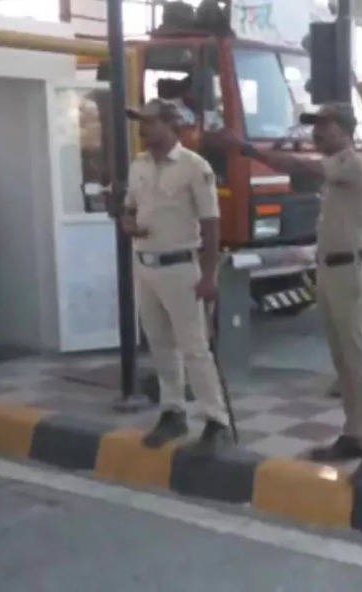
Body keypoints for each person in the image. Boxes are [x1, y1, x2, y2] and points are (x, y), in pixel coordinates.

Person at [221, 104, 362, 482]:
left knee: (359, 360)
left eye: (325, 127)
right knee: (343, 360)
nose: (317, 135)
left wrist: (248, 148)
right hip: (331, 269)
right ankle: (354, 434)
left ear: (346, 130)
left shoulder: (352, 163)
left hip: (351, 270)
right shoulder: (336, 168)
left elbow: (301, 167)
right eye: (316, 128)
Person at [125, 99, 232, 456]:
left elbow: (212, 225)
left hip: (182, 267)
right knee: (160, 344)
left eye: (150, 122)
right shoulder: (138, 165)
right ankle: (173, 412)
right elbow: (130, 209)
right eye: (141, 122)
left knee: (194, 348)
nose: (143, 128)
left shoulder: (194, 167)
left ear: (171, 124)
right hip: (145, 264)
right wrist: (126, 221)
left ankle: (216, 420)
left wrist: (209, 274)